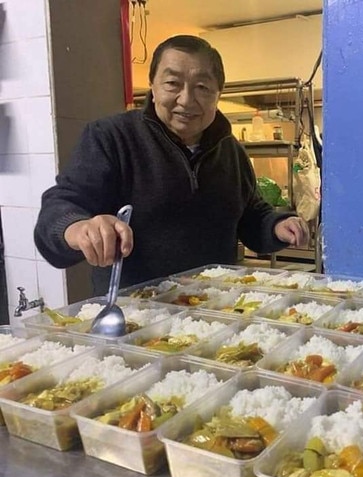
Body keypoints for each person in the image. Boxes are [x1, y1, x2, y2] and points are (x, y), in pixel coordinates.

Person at [34, 35, 309, 294]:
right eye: (172, 84)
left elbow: (251, 216)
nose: (186, 100)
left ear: (217, 94)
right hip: (134, 314)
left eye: (202, 87)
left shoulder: (231, 151)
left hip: (215, 312)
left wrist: (276, 225)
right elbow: (61, 206)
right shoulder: (111, 138)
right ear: (153, 86)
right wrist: (78, 228)